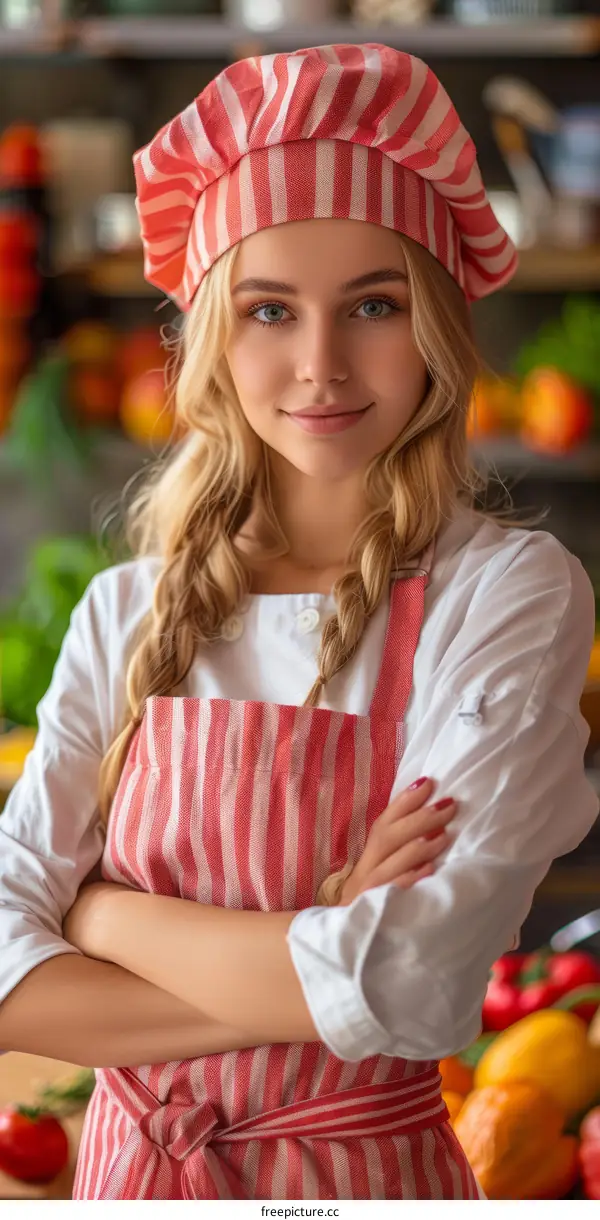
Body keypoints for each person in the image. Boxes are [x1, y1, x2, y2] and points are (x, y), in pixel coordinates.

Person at [0, 42, 597, 1201]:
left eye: (372, 303)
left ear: (434, 321)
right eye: (270, 308)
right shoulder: (129, 608)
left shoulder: (507, 592)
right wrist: (312, 932)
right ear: (216, 334)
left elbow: (411, 982)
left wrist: (100, 909)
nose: (319, 365)